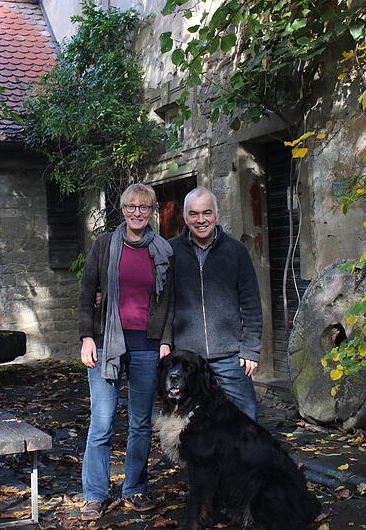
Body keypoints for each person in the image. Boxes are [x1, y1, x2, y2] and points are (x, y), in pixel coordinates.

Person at [78, 183, 174, 521]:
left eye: (144, 207)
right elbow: (87, 291)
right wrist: (86, 337)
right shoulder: (104, 245)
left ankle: (134, 489)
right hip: (106, 343)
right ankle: (94, 495)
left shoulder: (163, 250)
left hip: (147, 346)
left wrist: (165, 340)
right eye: (131, 206)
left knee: (140, 424)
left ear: (151, 211)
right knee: (102, 422)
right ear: (122, 210)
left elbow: (169, 301)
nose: (137, 212)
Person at [168, 186, 263, 422]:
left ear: (217, 214)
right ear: (185, 216)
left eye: (207, 212)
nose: (201, 220)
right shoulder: (170, 251)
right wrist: (165, 344)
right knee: (189, 425)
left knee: (245, 420)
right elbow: (161, 302)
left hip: (230, 357)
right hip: (187, 358)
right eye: (194, 214)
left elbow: (251, 302)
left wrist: (251, 349)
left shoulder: (236, 251)